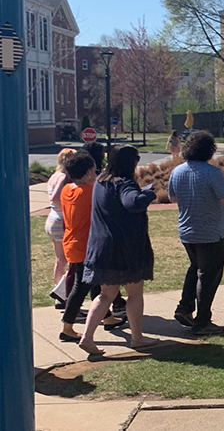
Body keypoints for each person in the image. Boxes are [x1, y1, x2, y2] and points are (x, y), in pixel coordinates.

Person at [169, 131, 224, 335]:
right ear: (209, 150)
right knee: (208, 277)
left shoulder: (177, 171)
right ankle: (202, 321)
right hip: (209, 233)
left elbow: (173, 198)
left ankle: (185, 307)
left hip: (186, 231)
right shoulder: (212, 173)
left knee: (195, 267)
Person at [78, 146, 160, 355]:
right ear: (130, 163)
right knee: (134, 294)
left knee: (106, 295)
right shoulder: (125, 183)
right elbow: (132, 203)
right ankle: (137, 338)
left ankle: (87, 337)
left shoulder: (101, 182)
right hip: (126, 249)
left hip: (102, 247)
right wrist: (149, 194)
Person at [59, 152, 125, 343]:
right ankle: (67, 327)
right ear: (89, 172)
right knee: (81, 286)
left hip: (72, 243)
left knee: (96, 281)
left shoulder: (67, 190)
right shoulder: (89, 191)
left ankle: (107, 317)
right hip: (86, 246)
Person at [46, 148, 76, 306]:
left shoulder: (54, 175)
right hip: (61, 219)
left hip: (52, 218)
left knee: (60, 259)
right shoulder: (64, 176)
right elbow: (55, 196)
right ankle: (62, 292)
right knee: (69, 259)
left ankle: (59, 290)